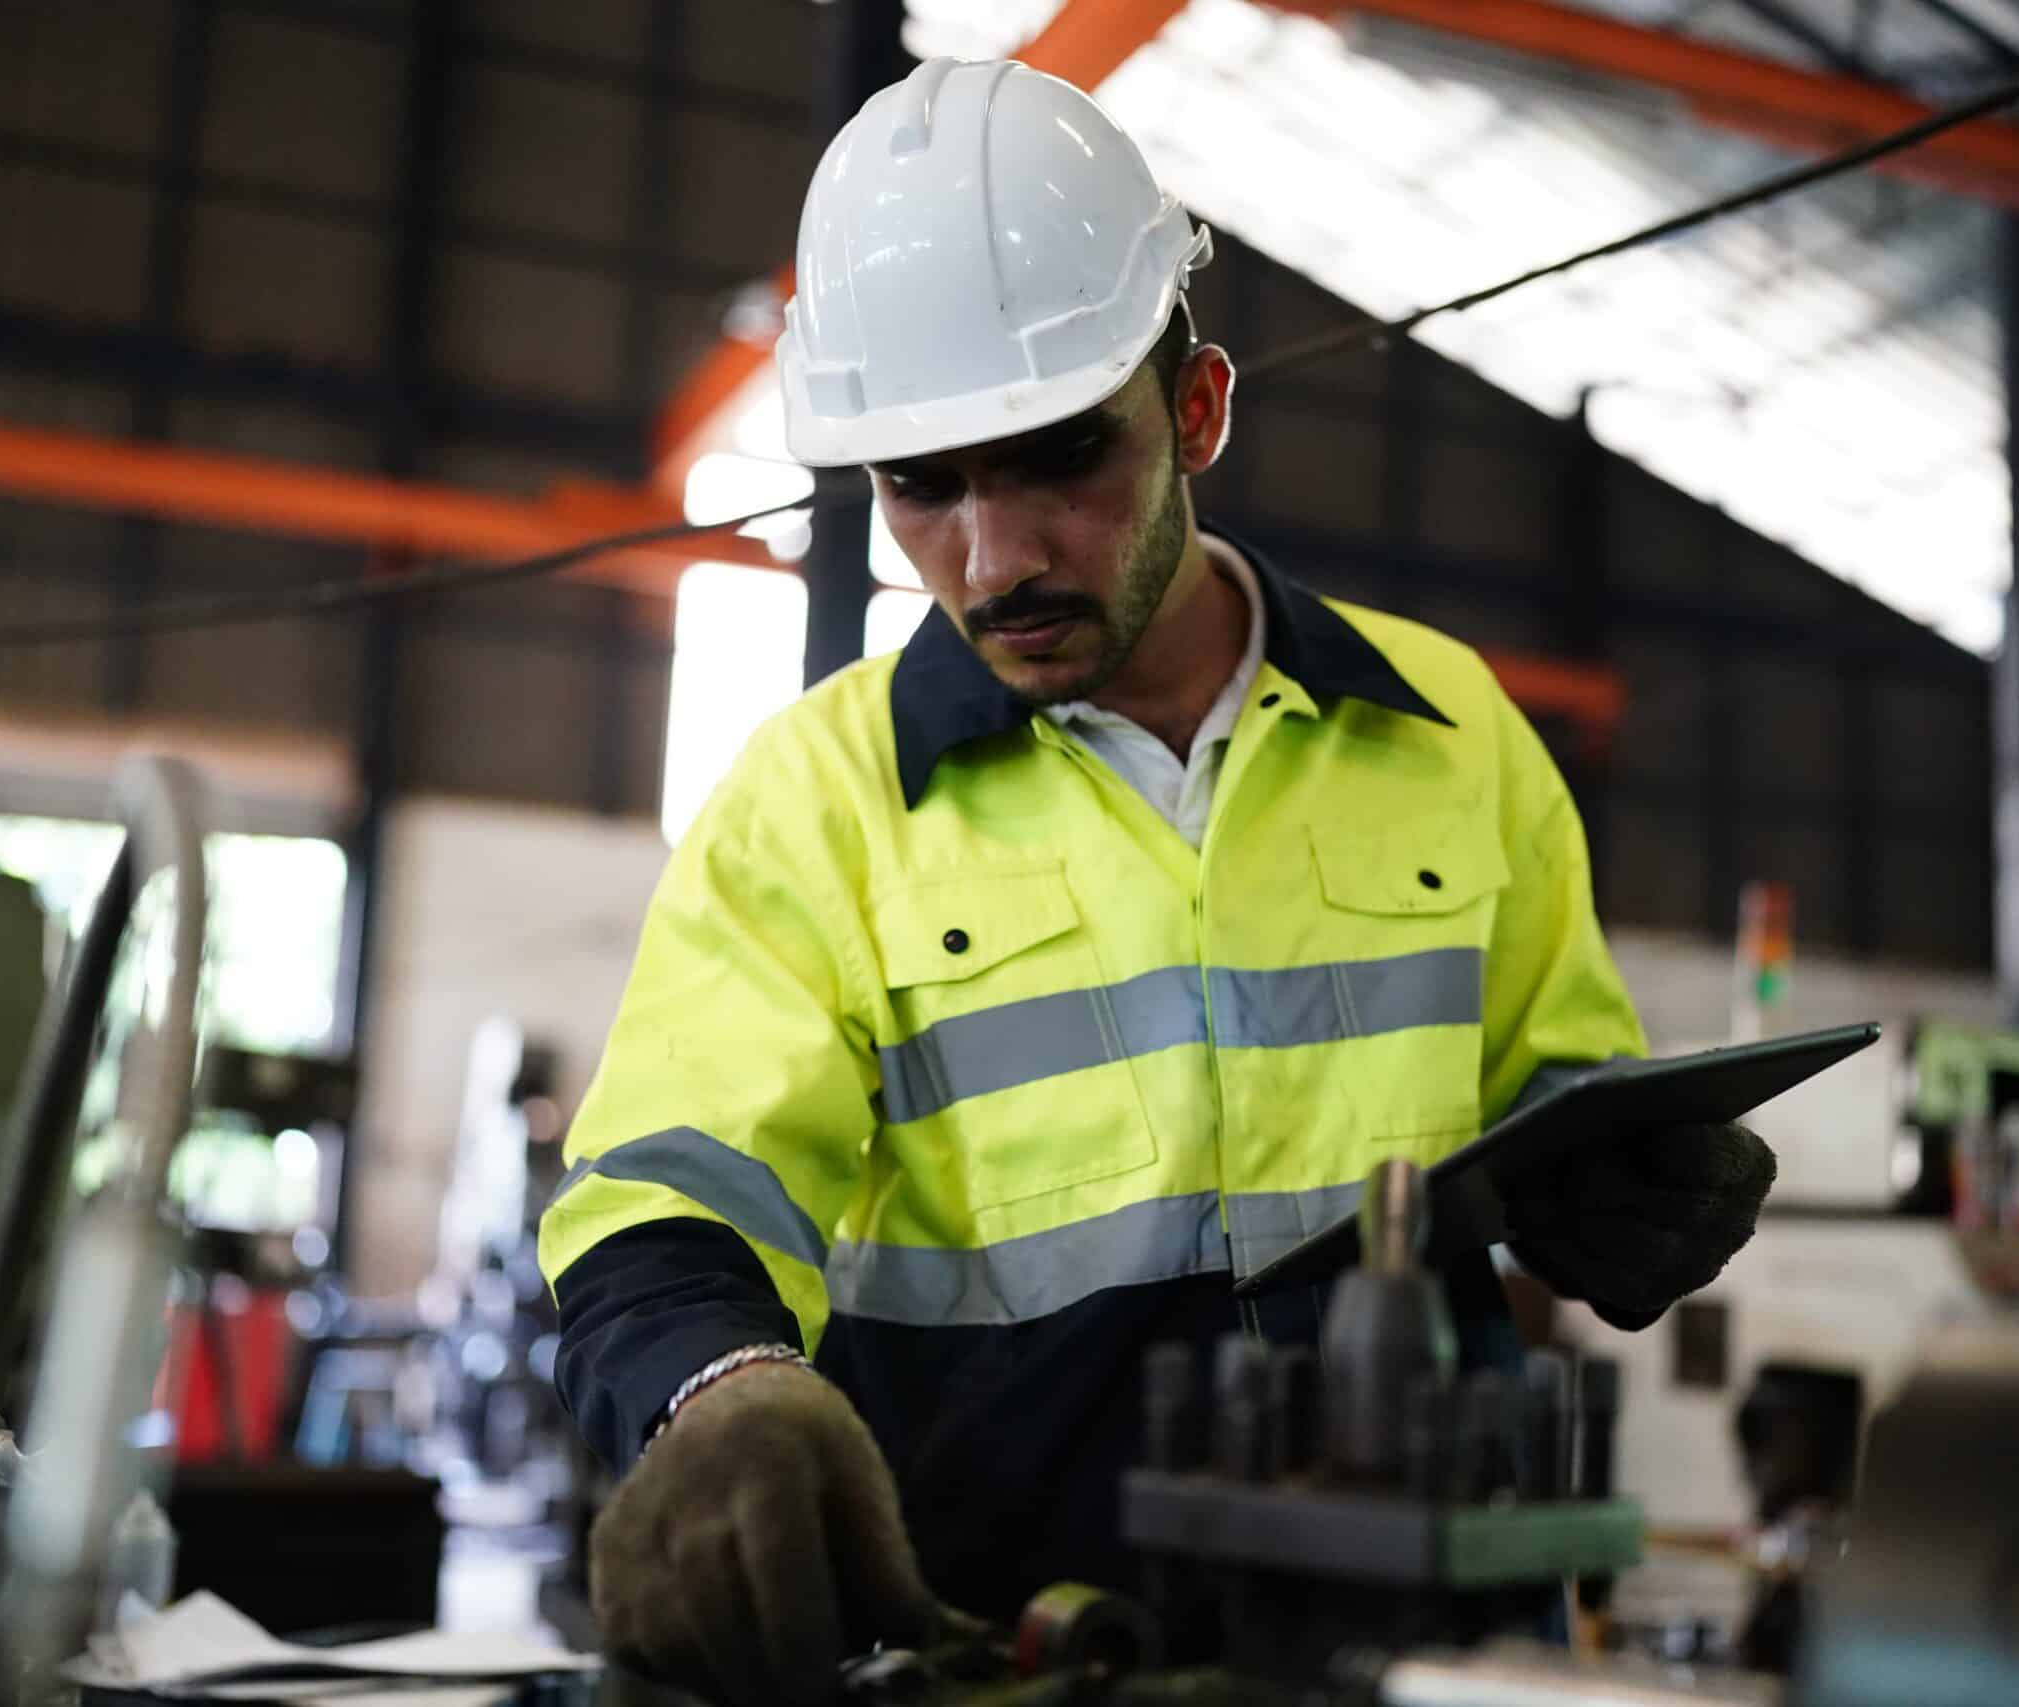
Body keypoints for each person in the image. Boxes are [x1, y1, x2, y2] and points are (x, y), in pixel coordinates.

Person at [539, 56, 1775, 1707]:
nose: (995, 558)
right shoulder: (812, 806)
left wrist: (1624, 1177)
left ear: (1195, 409)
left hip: (1434, 1648)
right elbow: (663, 1201)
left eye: (1057, 458)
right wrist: (731, 1392)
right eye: (925, 487)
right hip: (1023, 1656)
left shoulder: (1450, 731)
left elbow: (1546, 1079)